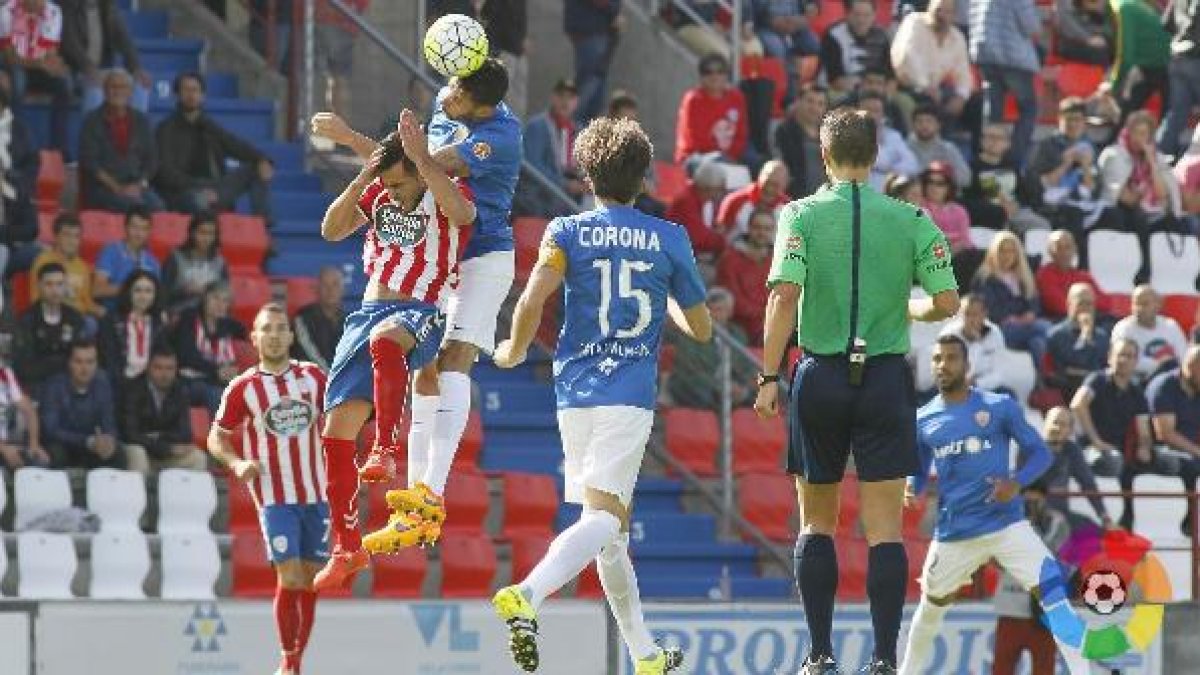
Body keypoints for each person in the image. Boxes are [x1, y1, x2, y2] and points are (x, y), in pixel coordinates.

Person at [489, 115, 708, 675]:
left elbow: (532, 298)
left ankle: (645, 655)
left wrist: (514, 349)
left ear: (585, 175)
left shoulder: (564, 231)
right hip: (628, 391)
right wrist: (669, 303)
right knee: (607, 521)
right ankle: (528, 594)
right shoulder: (668, 238)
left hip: (574, 389)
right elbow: (703, 329)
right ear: (645, 177)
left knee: (609, 526)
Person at [755, 107, 960, 674]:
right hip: (885, 381)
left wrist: (769, 377)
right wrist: (909, 304)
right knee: (884, 530)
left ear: (823, 156)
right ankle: (884, 659)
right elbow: (947, 304)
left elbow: (782, 298)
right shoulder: (913, 218)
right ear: (874, 157)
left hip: (819, 374)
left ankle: (819, 656)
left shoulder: (798, 214)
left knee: (816, 522)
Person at [312, 60, 520, 519]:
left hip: (483, 252)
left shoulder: (500, 137)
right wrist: (373, 152)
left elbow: (418, 169)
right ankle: (412, 493)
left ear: (478, 104)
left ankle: (430, 489)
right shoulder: (447, 118)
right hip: (441, 254)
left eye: (456, 88)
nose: (445, 90)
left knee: (454, 361)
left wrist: (353, 140)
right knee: (426, 366)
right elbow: (402, 169)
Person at [311, 113, 475, 591]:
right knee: (336, 433)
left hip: (420, 309)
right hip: (364, 313)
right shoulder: (381, 190)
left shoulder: (444, 198)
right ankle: (346, 547)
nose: (396, 194)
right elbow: (331, 229)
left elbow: (464, 217)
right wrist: (365, 172)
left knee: (388, 337)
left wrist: (420, 161)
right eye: (389, 184)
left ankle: (386, 446)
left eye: (402, 185)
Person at [898, 336, 1091, 675]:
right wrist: (913, 489)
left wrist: (1016, 482)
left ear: (967, 365)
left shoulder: (999, 406)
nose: (944, 365)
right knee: (932, 607)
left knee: (1054, 597)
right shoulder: (923, 419)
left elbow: (1041, 452)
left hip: (1007, 526)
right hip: (955, 532)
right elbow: (919, 464)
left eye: (952, 358)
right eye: (938, 359)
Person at [208, 303, 327, 675]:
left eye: (280, 328)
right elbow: (217, 437)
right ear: (254, 338)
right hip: (275, 497)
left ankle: (296, 661)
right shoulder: (243, 387)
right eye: (266, 329)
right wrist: (238, 463)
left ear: (291, 336)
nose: (274, 335)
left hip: (318, 494)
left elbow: (343, 418)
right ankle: (288, 662)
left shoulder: (314, 378)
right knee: (289, 576)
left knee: (309, 582)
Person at [153, 72, 274, 220]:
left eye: (195, 90)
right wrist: (201, 187)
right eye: (186, 90)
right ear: (177, 95)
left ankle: (262, 227)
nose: (191, 95)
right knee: (199, 201)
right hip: (184, 192)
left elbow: (235, 145)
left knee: (257, 168)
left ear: (202, 95)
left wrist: (262, 158)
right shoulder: (165, 129)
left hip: (216, 188)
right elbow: (166, 174)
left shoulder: (208, 125)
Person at [1071, 339, 1161, 527]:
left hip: (1121, 451)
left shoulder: (1136, 391)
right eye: (1120, 354)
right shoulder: (1097, 380)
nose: (1124, 360)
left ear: (1136, 361)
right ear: (1110, 357)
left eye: (1129, 356)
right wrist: (1096, 441)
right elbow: (1078, 404)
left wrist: (1144, 448)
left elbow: (1143, 426)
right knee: (1114, 462)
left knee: (1167, 463)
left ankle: (1128, 522)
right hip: (1091, 450)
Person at [989, 477, 1074, 675]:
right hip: (1010, 609)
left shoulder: (1057, 521)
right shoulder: (1005, 522)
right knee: (1001, 669)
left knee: (1044, 670)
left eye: (1036, 501)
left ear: (1045, 498)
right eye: (1026, 501)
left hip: (1043, 612)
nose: (1031, 505)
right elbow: (995, 558)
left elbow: (1049, 555)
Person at [1097, 111, 1185, 286]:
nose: (1140, 139)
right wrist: (1139, 191)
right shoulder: (1114, 155)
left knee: (1187, 223)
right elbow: (1125, 199)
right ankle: (1145, 269)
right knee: (1139, 216)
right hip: (1121, 212)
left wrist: (1152, 163)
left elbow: (1162, 195)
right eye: (1136, 133)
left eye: (1145, 134)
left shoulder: (1156, 157)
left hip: (1150, 211)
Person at [40, 338, 146, 473]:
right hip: (64, 444)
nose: (85, 368)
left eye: (90, 362)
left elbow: (108, 420)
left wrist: (108, 439)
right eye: (78, 362)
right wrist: (87, 441)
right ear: (69, 363)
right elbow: (51, 430)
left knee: (117, 454)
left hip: (91, 446)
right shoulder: (54, 386)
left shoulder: (103, 382)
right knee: (56, 453)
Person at [1021, 98, 1099, 266]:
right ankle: (1080, 267)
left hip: (1082, 203)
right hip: (1049, 205)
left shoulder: (1090, 148)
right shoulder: (1045, 146)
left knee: (1114, 216)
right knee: (1073, 214)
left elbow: (1091, 189)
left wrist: (1085, 165)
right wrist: (1066, 162)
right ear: (1059, 120)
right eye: (1068, 119)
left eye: (1077, 119)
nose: (1073, 124)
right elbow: (1038, 186)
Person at [968, 0, 1041, 168]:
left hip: (984, 54)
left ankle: (987, 156)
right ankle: (1013, 157)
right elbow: (1031, 26)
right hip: (1013, 57)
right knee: (1028, 108)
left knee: (992, 112)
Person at [79, 69, 162, 212]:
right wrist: (117, 188)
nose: (117, 92)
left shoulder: (142, 121)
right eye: (113, 87)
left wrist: (139, 186)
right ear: (105, 91)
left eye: (122, 87)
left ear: (130, 92)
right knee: (133, 207)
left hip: (136, 186)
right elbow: (90, 163)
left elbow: (152, 160)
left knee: (157, 207)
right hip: (103, 188)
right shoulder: (92, 121)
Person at [972, 232, 1050, 372]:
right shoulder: (985, 278)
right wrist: (1016, 317)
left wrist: (1031, 313)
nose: (1006, 255)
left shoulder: (1023, 276)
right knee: (1045, 328)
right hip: (999, 330)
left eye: (1011, 251)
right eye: (1002, 250)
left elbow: (1034, 301)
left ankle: (1041, 385)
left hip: (1025, 327)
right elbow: (989, 309)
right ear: (994, 252)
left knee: (1037, 343)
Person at [119, 345, 206, 471]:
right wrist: (166, 446)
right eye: (158, 368)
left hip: (165, 451)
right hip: (139, 449)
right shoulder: (132, 389)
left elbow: (185, 433)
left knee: (198, 457)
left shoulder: (180, 390)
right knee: (138, 453)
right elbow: (130, 434)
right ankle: (137, 491)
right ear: (148, 368)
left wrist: (157, 438)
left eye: (169, 368)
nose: (164, 374)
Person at [667, 287, 754, 410]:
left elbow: (746, 367)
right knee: (703, 393)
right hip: (698, 386)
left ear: (729, 312)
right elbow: (690, 369)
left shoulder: (737, 335)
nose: (713, 315)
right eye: (709, 310)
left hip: (729, 386)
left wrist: (741, 387)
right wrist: (720, 387)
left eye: (719, 310)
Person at [889, 0, 972, 127]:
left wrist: (961, 96)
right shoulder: (914, 22)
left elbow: (963, 72)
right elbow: (908, 57)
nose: (941, 15)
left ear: (954, 15)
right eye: (938, 9)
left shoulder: (957, 37)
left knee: (974, 103)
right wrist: (926, 85)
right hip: (909, 86)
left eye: (947, 11)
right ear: (929, 8)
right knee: (933, 105)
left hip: (937, 89)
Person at [0, 0, 70, 152]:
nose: (39, 3)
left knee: (64, 83)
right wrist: (41, 63)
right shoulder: (6, 11)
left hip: (37, 65)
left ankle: (58, 148)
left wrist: (54, 66)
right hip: (13, 65)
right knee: (17, 84)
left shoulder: (53, 11)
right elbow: (10, 57)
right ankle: (16, 145)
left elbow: (50, 52)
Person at [58, 0, 150, 113]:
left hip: (103, 69)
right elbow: (70, 43)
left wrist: (136, 68)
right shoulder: (67, 5)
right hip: (76, 71)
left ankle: (136, 129)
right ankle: (92, 129)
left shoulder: (107, 6)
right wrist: (88, 68)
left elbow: (124, 39)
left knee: (140, 84)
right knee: (95, 87)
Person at [1145, 345, 1200, 534]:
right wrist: (1197, 451)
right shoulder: (1164, 386)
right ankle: (1190, 523)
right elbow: (1165, 434)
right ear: (1191, 367)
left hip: (1192, 450)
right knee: (1192, 464)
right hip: (1160, 452)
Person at [962, 123, 1050, 234]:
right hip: (987, 214)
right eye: (989, 137)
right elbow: (968, 198)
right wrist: (998, 209)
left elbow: (1022, 192)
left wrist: (1016, 204)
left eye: (998, 138)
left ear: (1007, 144)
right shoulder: (971, 167)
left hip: (1015, 212)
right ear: (982, 141)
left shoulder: (1012, 166)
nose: (994, 142)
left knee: (1041, 226)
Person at [15, 262, 87, 395]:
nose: (55, 290)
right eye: (49, 284)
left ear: (65, 286)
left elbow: (82, 356)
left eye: (60, 284)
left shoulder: (75, 317)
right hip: (39, 383)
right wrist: (59, 364)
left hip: (70, 380)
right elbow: (24, 367)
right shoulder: (27, 320)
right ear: (39, 286)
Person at [173, 282, 247, 411]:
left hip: (220, 380)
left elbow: (248, 336)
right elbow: (186, 356)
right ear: (204, 299)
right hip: (191, 381)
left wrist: (233, 370)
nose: (220, 304)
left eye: (225, 300)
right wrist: (216, 370)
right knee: (217, 394)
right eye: (215, 298)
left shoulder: (228, 324)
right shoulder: (189, 318)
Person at [518, 78, 585, 216]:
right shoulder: (537, 126)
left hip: (566, 199)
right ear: (553, 98)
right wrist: (565, 184)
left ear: (576, 102)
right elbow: (533, 167)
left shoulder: (577, 130)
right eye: (561, 96)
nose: (565, 102)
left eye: (571, 97)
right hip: (539, 199)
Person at [1040, 405, 1113, 529]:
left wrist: (1104, 517)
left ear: (1070, 430)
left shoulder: (1072, 450)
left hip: (1062, 515)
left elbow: (1088, 484)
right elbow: (1024, 489)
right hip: (1030, 517)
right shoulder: (1029, 448)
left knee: (1095, 534)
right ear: (1045, 423)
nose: (1057, 428)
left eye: (1063, 424)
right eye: (1054, 422)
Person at [674, 53, 750, 168]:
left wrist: (730, 157)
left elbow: (741, 135)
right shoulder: (693, 100)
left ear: (726, 75)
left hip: (729, 157)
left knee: (761, 165)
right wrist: (723, 158)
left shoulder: (737, 98)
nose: (714, 76)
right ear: (701, 76)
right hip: (694, 157)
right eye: (708, 72)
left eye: (720, 71)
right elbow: (696, 141)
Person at [97, 270, 166, 388]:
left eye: (148, 291)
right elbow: (109, 358)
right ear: (128, 292)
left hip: (150, 383)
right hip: (119, 382)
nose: (143, 296)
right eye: (138, 290)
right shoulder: (111, 321)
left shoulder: (160, 324)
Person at [1106, 0, 1170, 125]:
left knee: (1127, 114)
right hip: (1158, 65)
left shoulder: (1123, 7)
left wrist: (1114, 86)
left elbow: (1126, 55)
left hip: (1163, 66)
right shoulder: (1134, 5)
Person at [937, 293, 1013, 398]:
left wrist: (977, 383)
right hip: (954, 384)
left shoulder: (995, 334)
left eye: (975, 314)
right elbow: (941, 368)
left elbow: (999, 373)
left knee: (1010, 396)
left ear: (984, 314)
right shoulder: (949, 333)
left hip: (985, 386)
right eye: (967, 314)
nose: (971, 319)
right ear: (960, 314)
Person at [716, 208, 774, 344]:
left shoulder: (778, 260)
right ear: (748, 228)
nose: (762, 233)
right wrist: (765, 315)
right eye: (757, 227)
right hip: (740, 325)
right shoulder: (730, 259)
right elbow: (733, 301)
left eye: (767, 229)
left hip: (771, 323)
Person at [30, 213, 102, 321]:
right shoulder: (43, 262)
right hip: (51, 315)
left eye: (76, 236)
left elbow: (86, 301)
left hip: (77, 318)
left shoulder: (82, 267)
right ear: (56, 237)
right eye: (67, 235)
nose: (72, 241)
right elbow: (37, 298)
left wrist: (102, 311)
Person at [1111, 284, 1189, 383]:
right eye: (1136, 304)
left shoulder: (1171, 326)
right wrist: (1162, 365)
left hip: (1174, 382)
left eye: (1144, 304)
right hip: (1138, 384)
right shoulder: (1123, 328)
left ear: (1158, 305)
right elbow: (1125, 361)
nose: (1139, 308)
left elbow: (1184, 356)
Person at [1046, 283, 1109, 401]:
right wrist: (1085, 335)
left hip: (1099, 394)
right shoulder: (1057, 335)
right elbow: (1078, 363)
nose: (1086, 308)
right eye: (1081, 303)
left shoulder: (1102, 336)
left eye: (1089, 304)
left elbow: (1104, 367)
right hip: (1068, 393)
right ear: (1069, 304)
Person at [0, 85, 39, 271]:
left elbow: (32, 228)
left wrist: (5, 235)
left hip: (8, 245)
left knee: (40, 254)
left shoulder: (15, 188)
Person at [1034, 230, 1110, 323]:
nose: (1064, 252)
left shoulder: (1083, 276)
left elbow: (1105, 302)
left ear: (1074, 250)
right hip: (1061, 321)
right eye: (1059, 247)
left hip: (1090, 318)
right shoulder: (1044, 274)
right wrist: (1089, 304)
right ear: (1050, 251)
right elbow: (1058, 306)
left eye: (1068, 247)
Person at [93, 206, 160, 311]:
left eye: (144, 229)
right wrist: (129, 288)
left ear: (149, 231)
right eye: (135, 227)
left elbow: (157, 296)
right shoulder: (111, 252)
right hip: (115, 312)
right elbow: (97, 290)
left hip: (143, 316)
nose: (139, 234)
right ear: (125, 227)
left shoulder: (153, 263)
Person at [564, 0, 621, 124]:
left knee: (595, 97)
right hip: (591, 31)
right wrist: (614, 11)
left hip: (597, 32)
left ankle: (578, 133)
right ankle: (570, 130)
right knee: (587, 88)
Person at [161, 212, 229, 313]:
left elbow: (226, 296)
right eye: (202, 232)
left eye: (211, 234)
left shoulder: (219, 262)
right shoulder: (176, 258)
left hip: (210, 317)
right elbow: (162, 294)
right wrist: (184, 291)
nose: (206, 238)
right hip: (180, 315)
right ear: (192, 233)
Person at [819, 0, 892, 96]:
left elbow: (891, 77)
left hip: (876, 91)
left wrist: (885, 95)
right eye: (857, 15)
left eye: (866, 15)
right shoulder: (833, 35)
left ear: (874, 16)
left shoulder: (882, 36)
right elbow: (835, 80)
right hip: (839, 91)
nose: (861, 20)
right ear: (847, 14)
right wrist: (864, 89)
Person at [313, 0, 369, 120]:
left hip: (334, 22)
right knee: (336, 80)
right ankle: (336, 121)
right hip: (333, 22)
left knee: (333, 80)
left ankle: (335, 121)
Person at [1158, 0, 1200, 157]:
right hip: (1196, 57)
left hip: (1177, 56)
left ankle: (1161, 156)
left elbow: (1166, 24)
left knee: (1176, 113)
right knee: (1177, 113)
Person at [665, 157, 728, 259]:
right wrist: (721, 239)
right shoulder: (686, 200)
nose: (721, 192)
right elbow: (698, 238)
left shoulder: (706, 200)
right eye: (719, 189)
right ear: (709, 188)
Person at [774, 83, 829, 200]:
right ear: (798, 102)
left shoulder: (829, 136)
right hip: (793, 202)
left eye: (820, 104)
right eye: (810, 101)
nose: (814, 108)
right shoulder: (783, 132)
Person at [858, 91, 918, 191]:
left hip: (887, 193)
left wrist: (891, 170)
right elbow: (875, 161)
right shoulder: (848, 135)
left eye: (876, 111)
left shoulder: (893, 136)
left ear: (882, 114)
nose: (872, 115)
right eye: (867, 110)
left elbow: (912, 165)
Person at [716, 160, 789, 239]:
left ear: (785, 184)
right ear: (760, 177)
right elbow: (720, 235)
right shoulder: (735, 201)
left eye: (776, 185)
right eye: (768, 183)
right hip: (738, 248)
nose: (770, 189)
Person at [480, 0, 528, 118]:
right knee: (503, 94)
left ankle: (516, 129)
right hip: (503, 48)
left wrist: (524, 37)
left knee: (518, 97)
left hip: (517, 49)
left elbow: (521, 17)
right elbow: (488, 13)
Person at [291, 266, 345, 371]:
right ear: (317, 289)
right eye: (325, 285)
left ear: (343, 289)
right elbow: (308, 356)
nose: (330, 290)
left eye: (335, 284)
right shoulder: (302, 319)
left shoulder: (351, 322)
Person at [907, 104, 969, 188]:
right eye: (919, 121)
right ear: (913, 125)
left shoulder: (948, 149)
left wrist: (940, 179)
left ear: (938, 125)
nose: (924, 125)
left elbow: (965, 178)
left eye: (929, 121)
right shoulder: (904, 148)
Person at [0, 356, 46, 470]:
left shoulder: (5, 374)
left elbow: (29, 410)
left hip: (9, 442)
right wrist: (3, 449)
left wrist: (33, 443)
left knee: (39, 462)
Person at [918, 160, 971, 257]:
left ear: (949, 187)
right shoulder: (919, 207)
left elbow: (965, 241)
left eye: (940, 183)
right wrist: (954, 237)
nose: (933, 187)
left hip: (959, 258)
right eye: (930, 182)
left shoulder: (959, 210)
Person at [1054, 0, 1113, 66]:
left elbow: (1101, 17)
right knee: (1100, 51)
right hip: (1071, 41)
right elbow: (1068, 25)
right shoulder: (1064, 2)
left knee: (1114, 42)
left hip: (1091, 32)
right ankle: (1105, 73)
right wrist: (1088, 39)